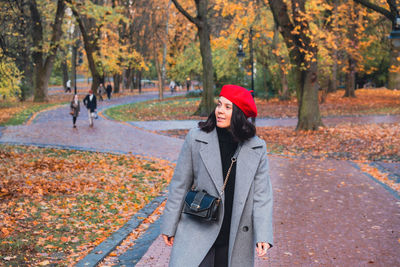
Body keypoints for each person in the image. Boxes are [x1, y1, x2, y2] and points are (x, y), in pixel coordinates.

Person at [161, 84, 273, 267]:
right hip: (198, 227)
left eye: (227, 107)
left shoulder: (256, 148)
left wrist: (263, 235)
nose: (220, 111)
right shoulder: (196, 138)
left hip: (234, 235)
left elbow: (262, 196)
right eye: (219, 104)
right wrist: (169, 224)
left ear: (239, 113)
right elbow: (180, 184)